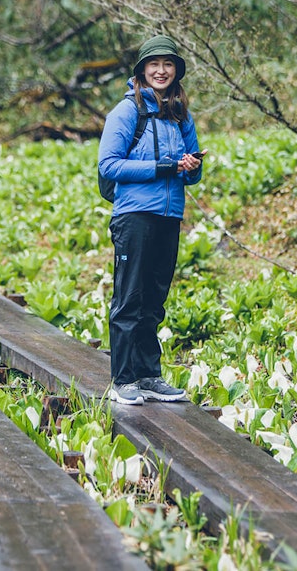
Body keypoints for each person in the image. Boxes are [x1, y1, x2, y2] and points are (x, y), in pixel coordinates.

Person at [97, 34, 205, 405]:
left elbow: (192, 175)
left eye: (168, 64)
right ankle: (123, 380)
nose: (161, 71)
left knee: (154, 300)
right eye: (154, 64)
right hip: (134, 216)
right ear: (142, 70)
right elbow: (109, 165)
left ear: (177, 72)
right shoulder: (126, 112)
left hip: (169, 216)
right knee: (130, 297)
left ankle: (148, 376)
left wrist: (191, 166)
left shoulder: (180, 115)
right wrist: (163, 167)